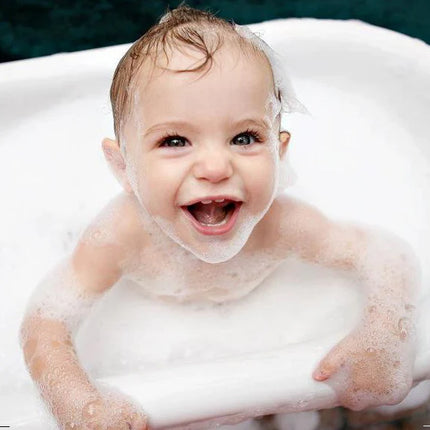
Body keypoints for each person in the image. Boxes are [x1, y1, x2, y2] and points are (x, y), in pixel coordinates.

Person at [20, 4, 421, 430]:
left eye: (244, 137)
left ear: (279, 153)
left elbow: (382, 258)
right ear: (124, 168)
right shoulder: (121, 235)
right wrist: (79, 401)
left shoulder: (284, 225)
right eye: (175, 140)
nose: (215, 166)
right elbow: (46, 321)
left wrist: (385, 334)